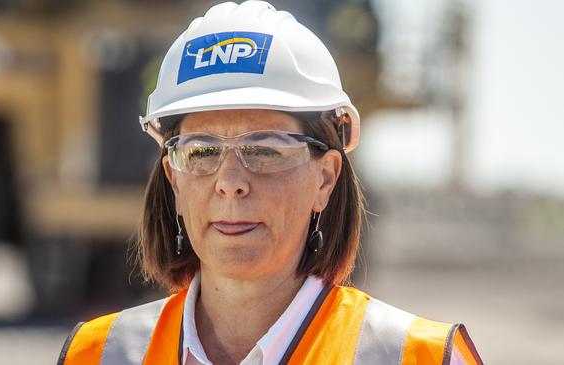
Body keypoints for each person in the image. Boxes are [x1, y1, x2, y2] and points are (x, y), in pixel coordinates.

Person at [57, 1, 483, 364]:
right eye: (201, 151)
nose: (230, 182)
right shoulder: (97, 355)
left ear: (325, 178)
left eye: (265, 150)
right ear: (173, 181)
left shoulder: (415, 356)